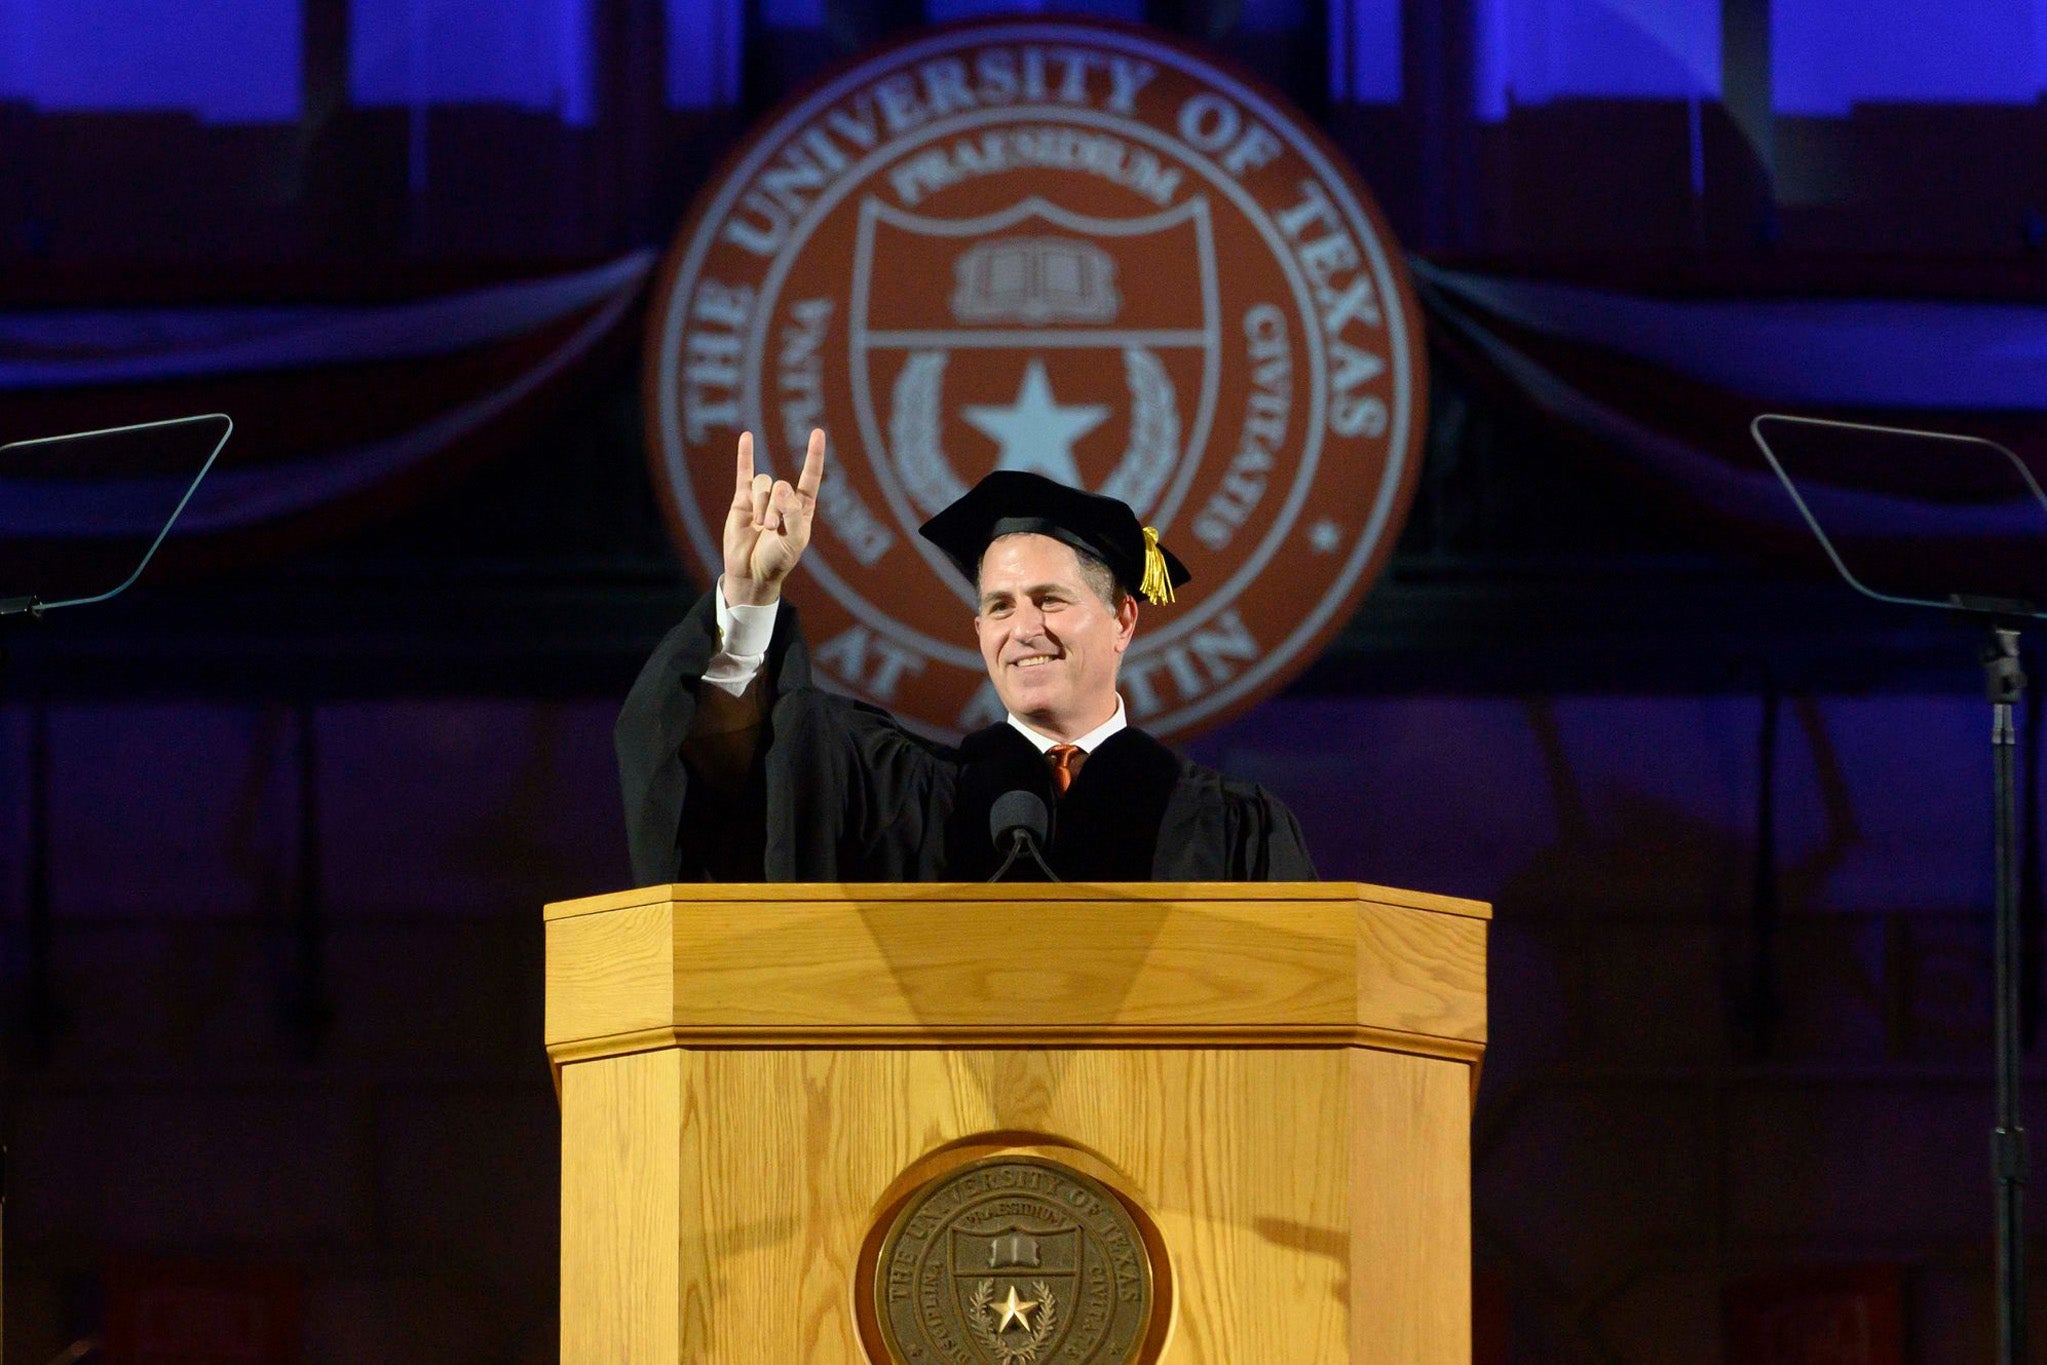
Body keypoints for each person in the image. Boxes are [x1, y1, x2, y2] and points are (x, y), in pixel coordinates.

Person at [615, 427, 1315, 883]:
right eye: (1000, 607)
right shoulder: (901, 796)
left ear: (1123, 617)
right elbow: (734, 784)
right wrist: (750, 596)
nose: (1023, 628)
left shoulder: (1231, 827)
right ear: (978, 629)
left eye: (1050, 599)